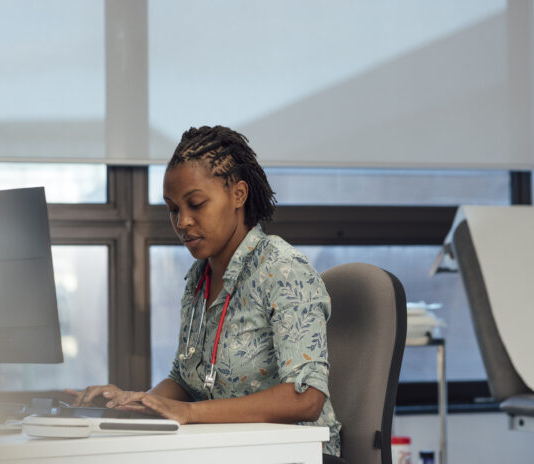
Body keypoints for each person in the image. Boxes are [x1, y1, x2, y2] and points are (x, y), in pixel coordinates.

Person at [67, 126, 342, 460]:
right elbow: (184, 380)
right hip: (223, 448)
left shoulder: (284, 270)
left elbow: (307, 399)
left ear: (238, 195)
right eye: (173, 209)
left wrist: (190, 413)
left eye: (196, 204)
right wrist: (132, 404)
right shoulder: (199, 277)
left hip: (295, 453)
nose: (182, 221)